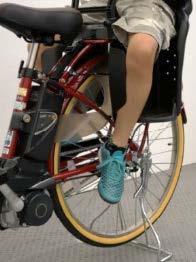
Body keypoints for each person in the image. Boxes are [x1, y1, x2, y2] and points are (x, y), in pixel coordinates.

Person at [34, 0, 176, 204]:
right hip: (98, 3)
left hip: (147, 3)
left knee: (143, 47)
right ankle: (43, 135)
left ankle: (116, 149)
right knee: (44, 35)